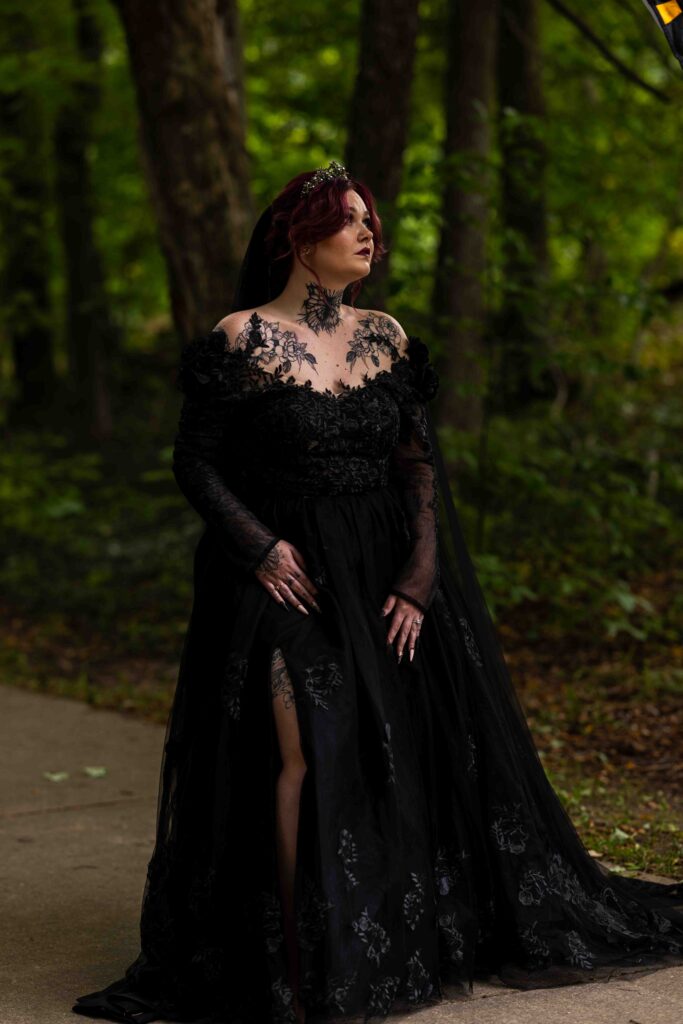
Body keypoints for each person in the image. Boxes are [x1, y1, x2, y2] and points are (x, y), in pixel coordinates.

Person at [73, 162, 683, 1024]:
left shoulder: (387, 336)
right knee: (305, 750)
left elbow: (416, 464)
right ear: (298, 239)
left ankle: (364, 930)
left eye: (372, 222)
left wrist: (420, 578)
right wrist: (258, 544)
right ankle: (296, 953)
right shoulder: (240, 337)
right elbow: (195, 460)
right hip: (279, 573)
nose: (369, 236)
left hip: (380, 571)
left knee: (385, 747)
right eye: (349, 222)